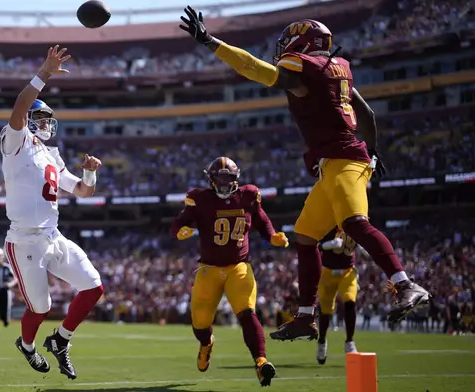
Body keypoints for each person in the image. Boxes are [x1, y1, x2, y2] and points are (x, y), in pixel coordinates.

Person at [179, 7, 429, 341]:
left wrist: (211, 41)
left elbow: (254, 68)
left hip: (343, 159)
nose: (284, 49)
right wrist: (373, 150)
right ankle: (306, 317)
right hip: (336, 162)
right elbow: (366, 112)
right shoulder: (336, 70)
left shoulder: (304, 69)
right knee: (305, 236)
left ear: (302, 42)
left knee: (355, 223)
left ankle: (406, 285)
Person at [1, 45, 104, 380]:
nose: (46, 124)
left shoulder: (51, 155)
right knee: (40, 308)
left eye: (48, 120)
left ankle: (61, 340)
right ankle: (27, 346)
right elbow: (19, 107)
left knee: (93, 287)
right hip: (25, 240)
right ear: (30, 120)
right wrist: (44, 73)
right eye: (41, 118)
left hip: (52, 235)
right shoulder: (15, 141)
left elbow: (83, 191)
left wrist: (90, 173)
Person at [170, 156, 289, 387]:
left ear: (237, 179)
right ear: (211, 180)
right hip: (209, 268)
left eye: (229, 180)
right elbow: (177, 222)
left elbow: (261, 220)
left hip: (239, 266)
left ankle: (261, 361)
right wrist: (179, 231)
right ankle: (206, 344)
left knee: (247, 312)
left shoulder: (248, 195)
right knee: (200, 323)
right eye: (220, 180)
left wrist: (272, 235)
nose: (224, 185)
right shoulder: (199, 199)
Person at [315, 229, 358, 365]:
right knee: (326, 311)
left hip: (347, 271)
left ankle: (350, 341)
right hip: (327, 271)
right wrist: (328, 245)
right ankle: (322, 341)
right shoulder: (326, 223)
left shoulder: (350, 222)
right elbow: (314, 245)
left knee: (350, 301)